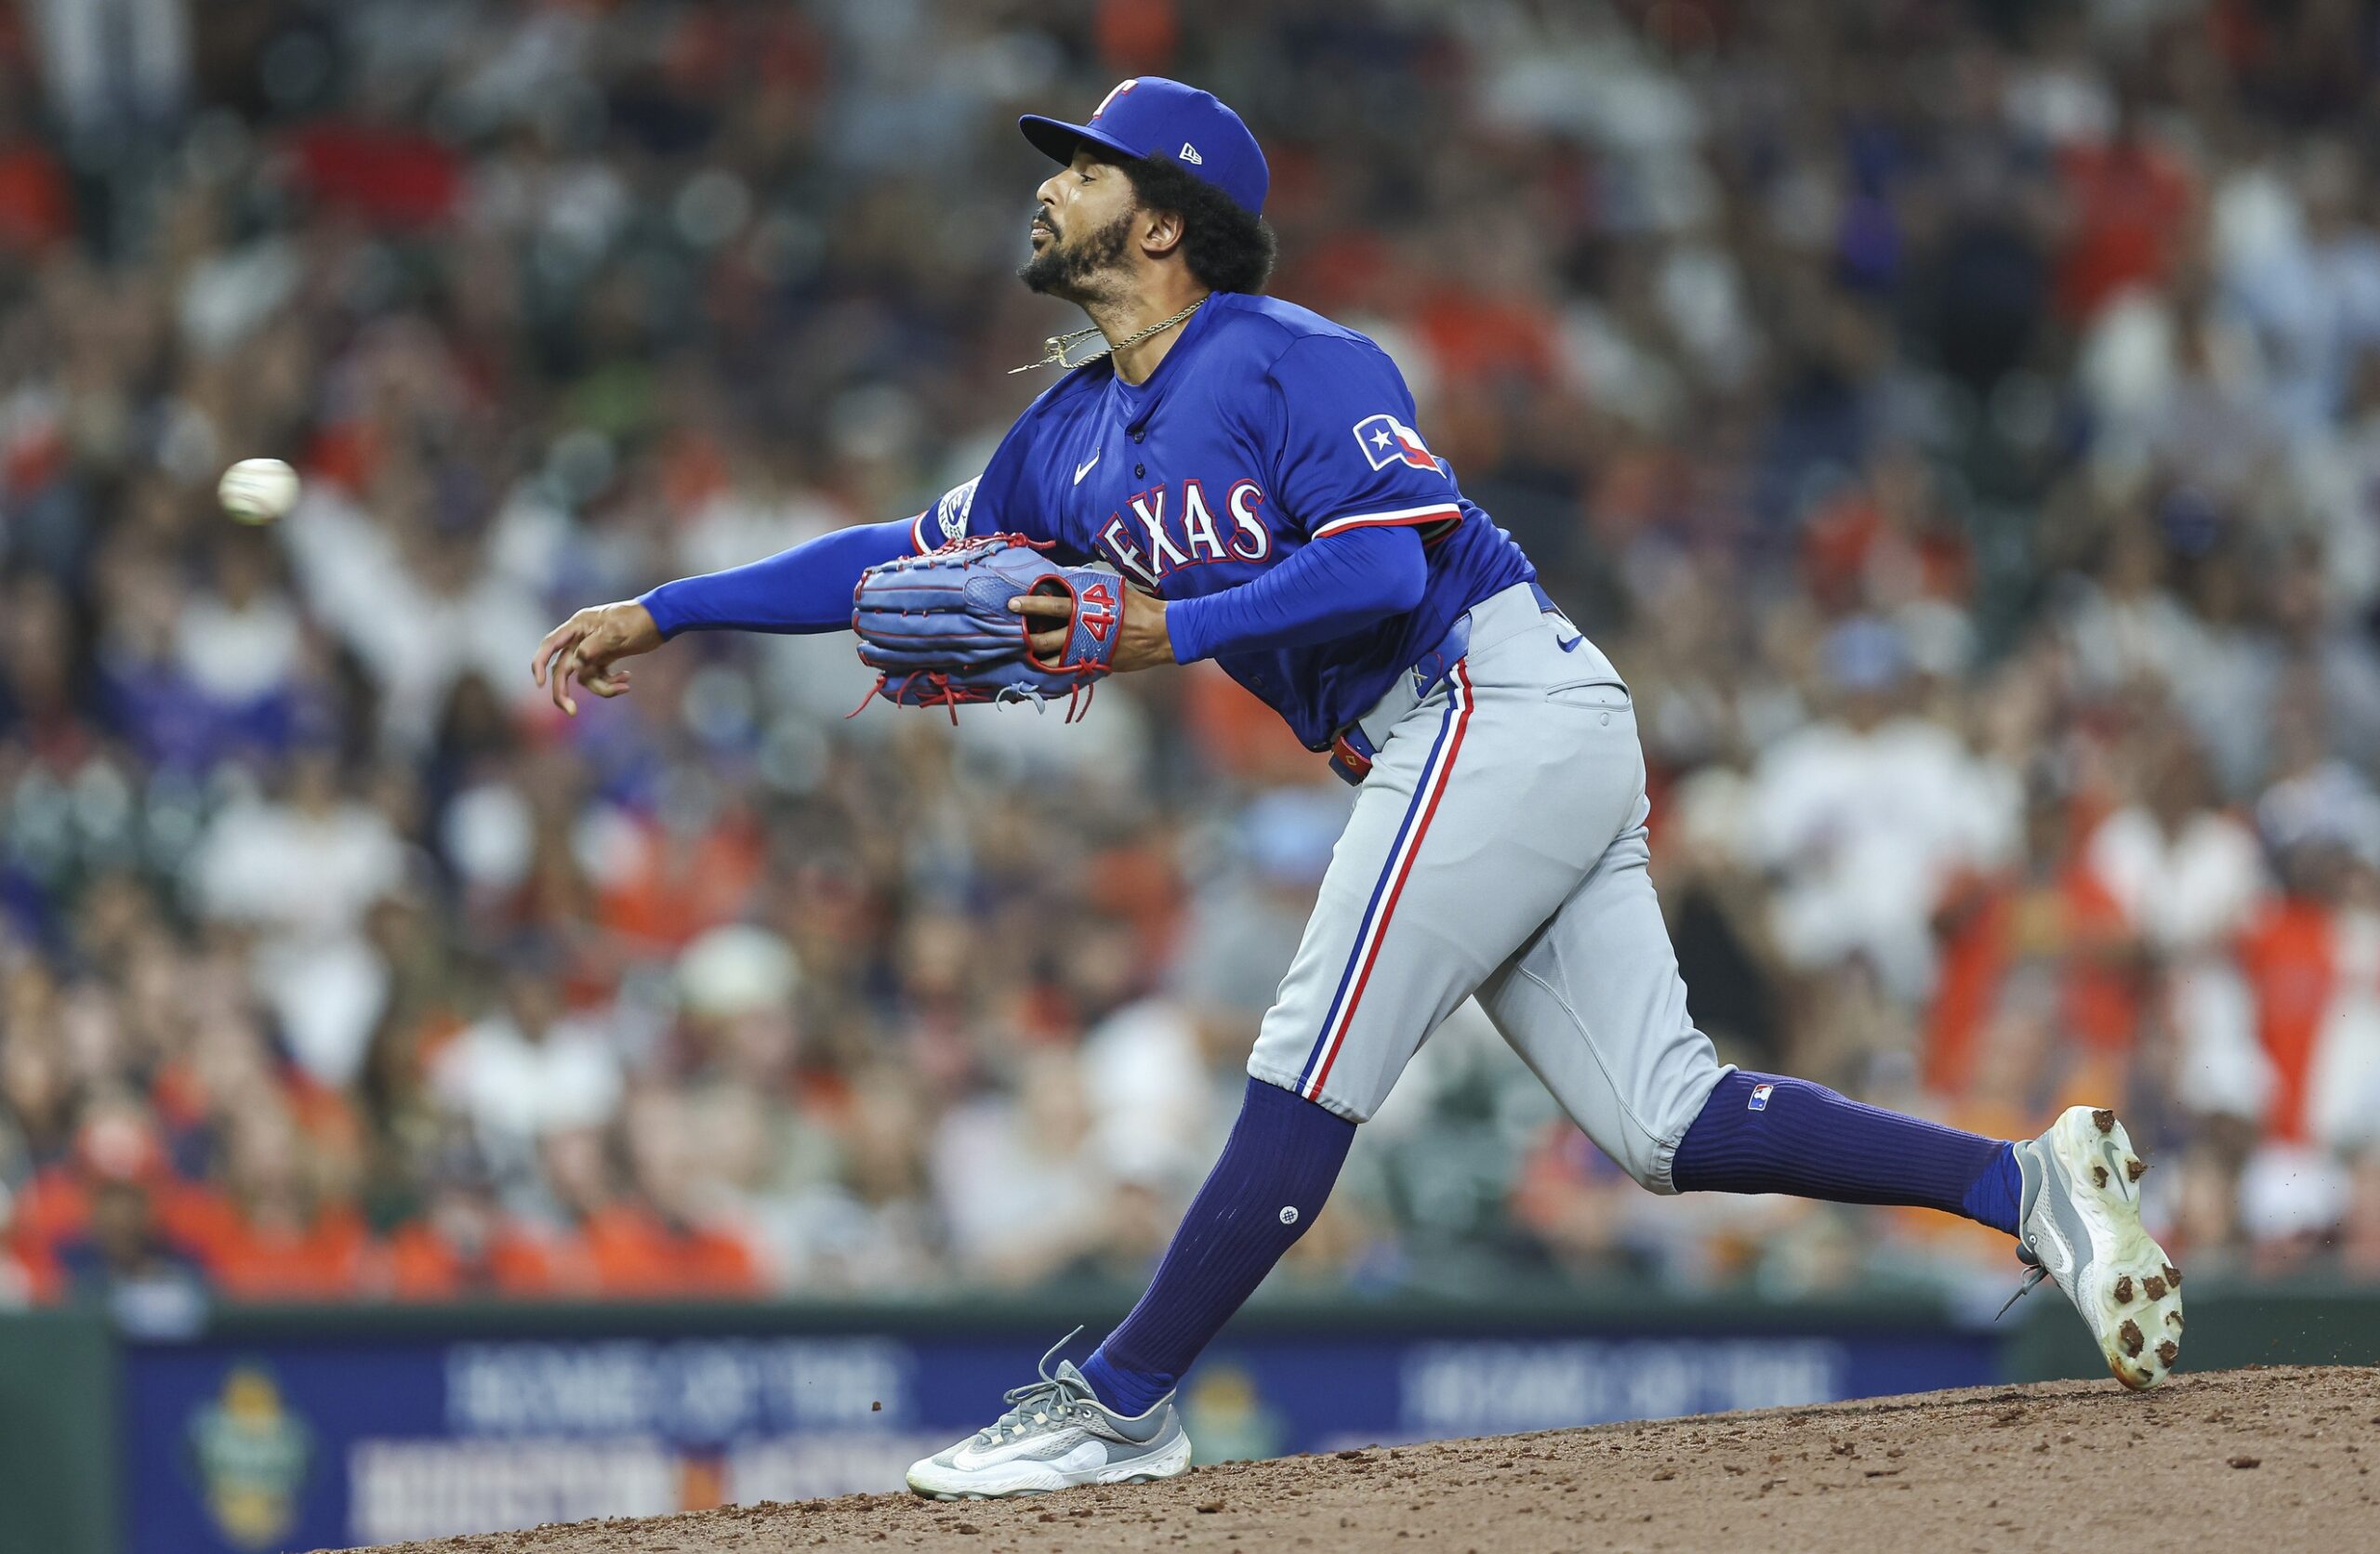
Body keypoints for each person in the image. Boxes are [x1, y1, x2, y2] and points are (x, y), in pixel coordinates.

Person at [532, 77, 2183, 1500]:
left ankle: (1117, 1404)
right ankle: (2018, 1185)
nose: (1050, 182)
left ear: (1165, 221)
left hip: (1490, 690)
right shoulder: (1071, 440)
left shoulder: (1287, 357)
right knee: (1664, 1122)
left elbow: (1384, 567)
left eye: (1086, 165)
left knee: (1311, 1042)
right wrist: (667, 613)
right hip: (1472, 735)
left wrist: (1164, 626)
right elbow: (894, 555)